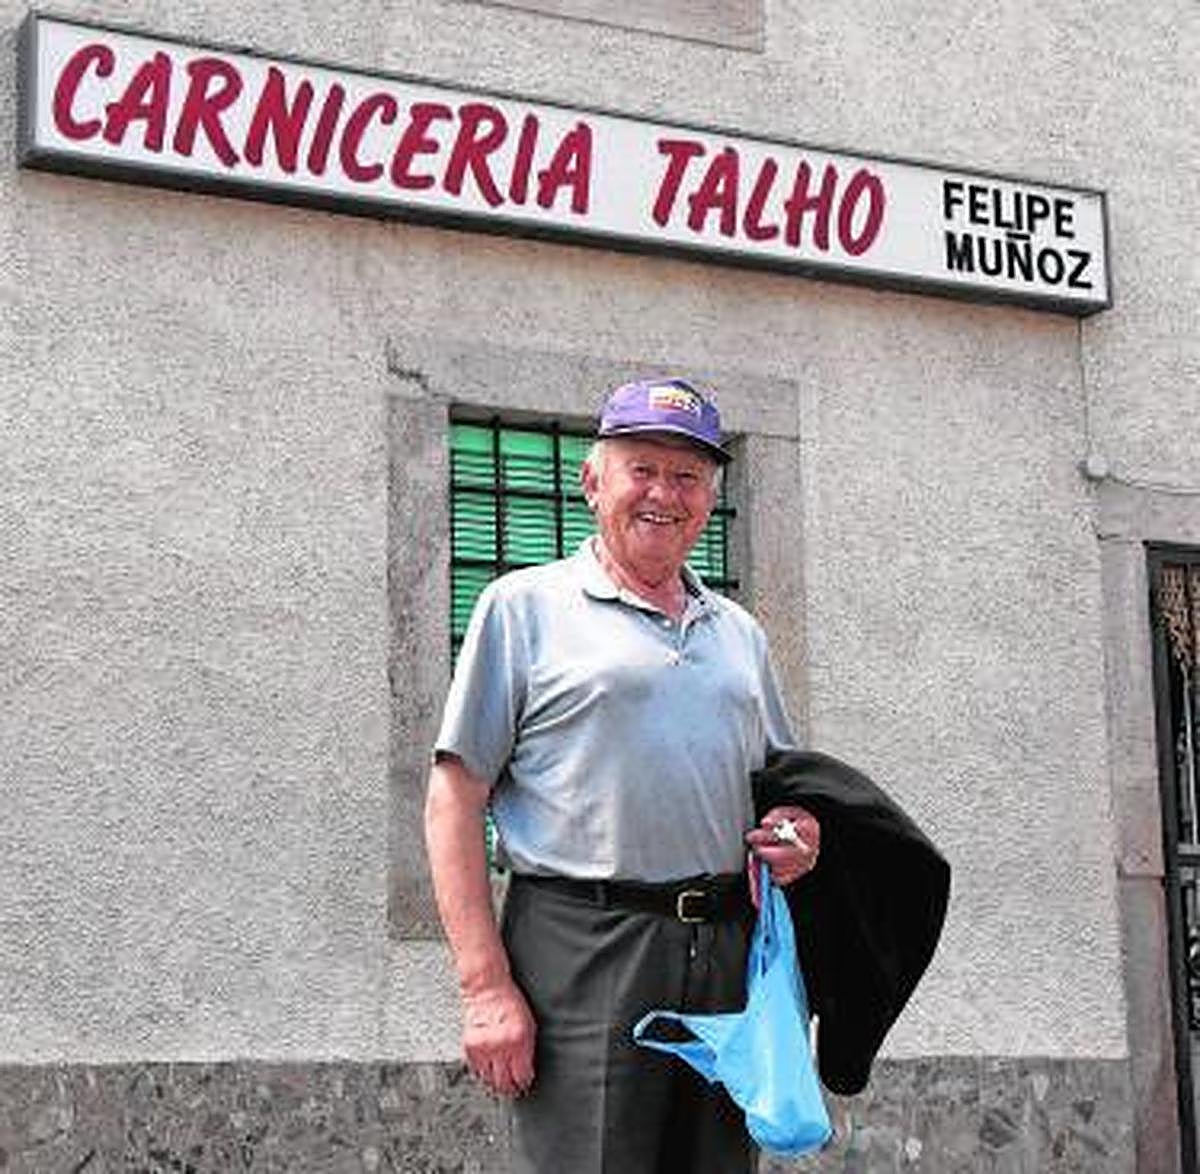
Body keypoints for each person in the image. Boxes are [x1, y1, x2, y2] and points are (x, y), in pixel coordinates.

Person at [424, 377, 820, 1174]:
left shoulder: (738, 633)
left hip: (723, 952)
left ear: (709, 497)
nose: (664, 495)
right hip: (582, 948)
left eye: (687, 478)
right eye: (642, 468)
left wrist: (798, 837)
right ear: (592, 480)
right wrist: (484, 986)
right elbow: (453, 799)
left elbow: (780, 793)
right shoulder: (523, 607)